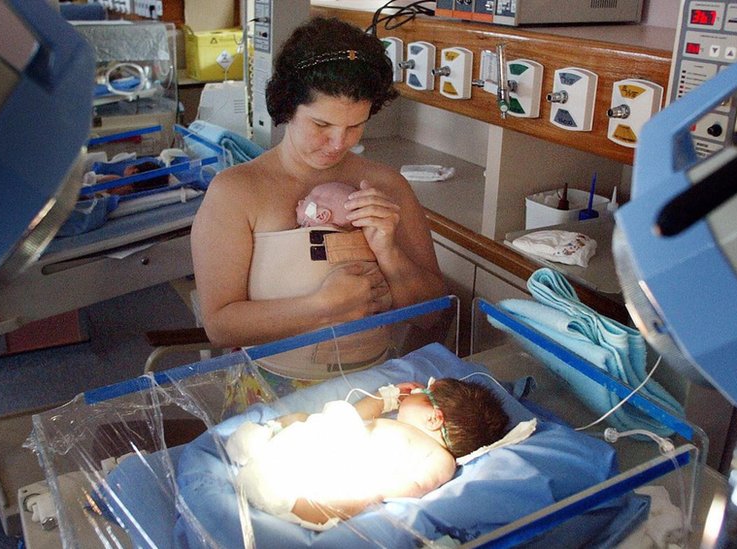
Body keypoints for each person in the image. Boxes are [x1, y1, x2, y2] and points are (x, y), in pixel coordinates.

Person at [190, 17, 446, 369]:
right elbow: (220, 326)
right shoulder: (236, 192)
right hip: (270, 383)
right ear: (288, 108)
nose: (339, 143)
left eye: (355, 126)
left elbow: (432, 315)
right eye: (321, 124)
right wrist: (322, 306)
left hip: (371, 381)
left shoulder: (387, 185)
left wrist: (388, 252)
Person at [226, 378, 510, 527]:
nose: (413, 392)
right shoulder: (395, 424)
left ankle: (293, 500)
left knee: (344, 498)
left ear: (434, 417)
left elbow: (420, 484)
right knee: (305, 418)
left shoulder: (441, 458)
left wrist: (374, 493)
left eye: (422, 391)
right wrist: (387, 397)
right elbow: (356, 413)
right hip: (325, 442)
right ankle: (265, 437)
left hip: (350, 467)